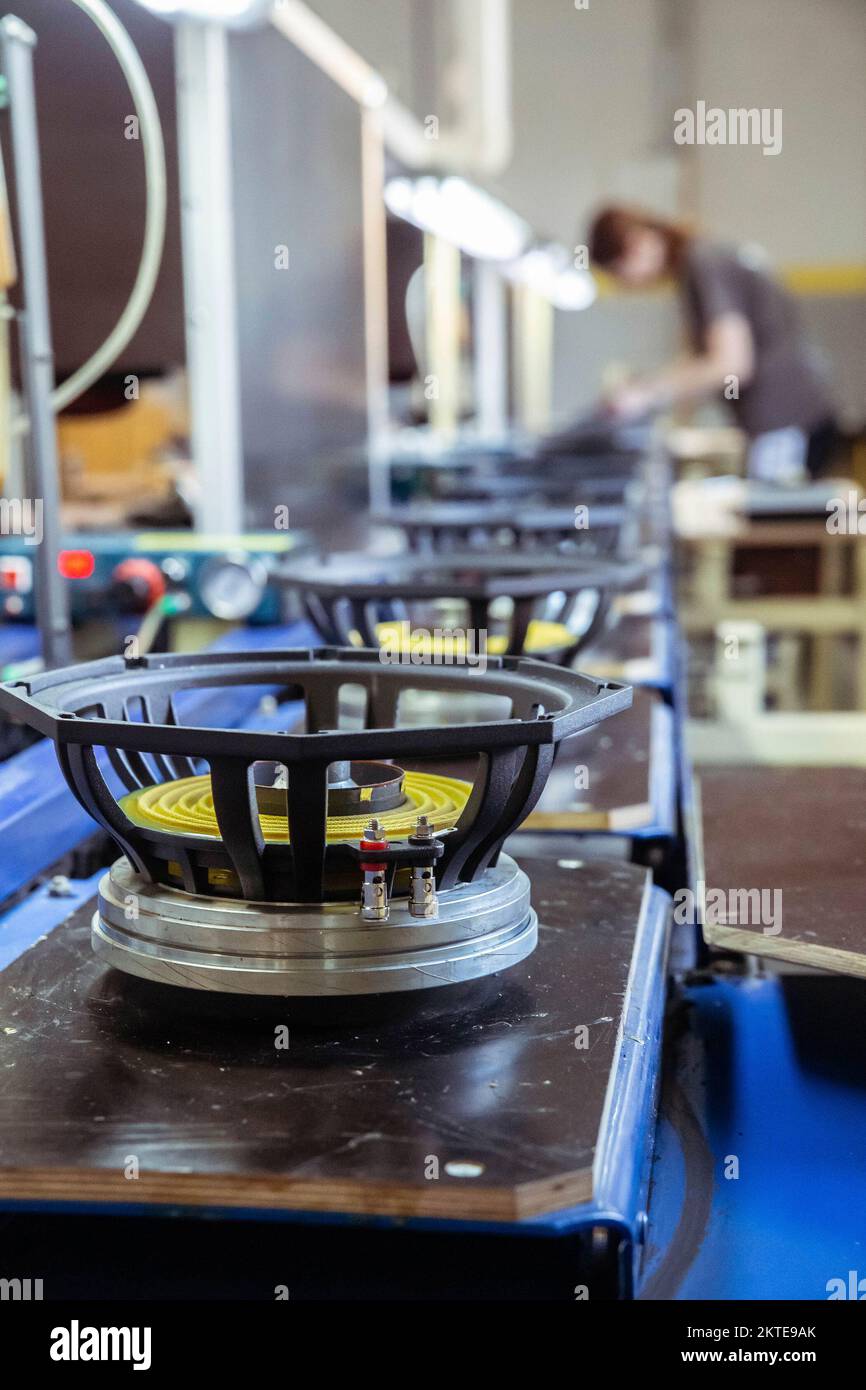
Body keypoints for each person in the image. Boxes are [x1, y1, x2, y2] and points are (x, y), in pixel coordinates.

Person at [587, 205, 840, 481]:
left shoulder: (704, 262)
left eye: (619, 271)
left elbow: (731, 365)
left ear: (636, 243)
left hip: (788, 424)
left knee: (773, 519)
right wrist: (646, 385)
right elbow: (707, 357)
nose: (628, 284)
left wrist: (647, 394)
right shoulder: (702, 259)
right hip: (792, 421)